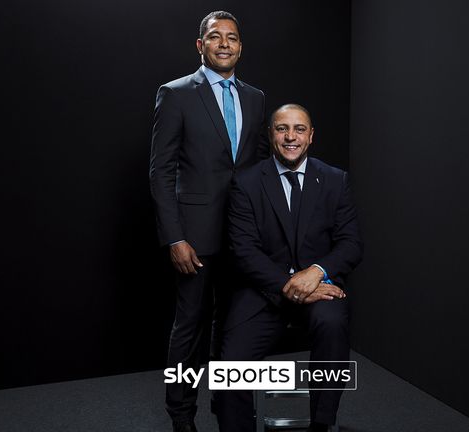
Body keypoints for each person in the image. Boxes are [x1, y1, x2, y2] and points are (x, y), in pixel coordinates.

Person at [149, 10, 269, 432]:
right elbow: (160, 171)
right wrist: (174, 237)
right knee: (190, 329)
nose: (224, 44)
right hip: (194, 237)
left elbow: (256, 170)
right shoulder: (177, 93)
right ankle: (181, 415)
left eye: (232, 38)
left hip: (242, 237)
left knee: (233, 327)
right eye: (215, 37)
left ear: (240, 46)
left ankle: (226, 405)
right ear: (201, 46)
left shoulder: (254, 98)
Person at [215, 104, 363, 431]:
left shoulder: (336, 181)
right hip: (262, 292)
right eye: (282, 129)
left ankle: (322, 424)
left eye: (299, 129)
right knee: (229, 367)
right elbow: (243, 251)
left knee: (332, 326)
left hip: (319, 288)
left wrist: (315, 272)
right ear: (271, 135)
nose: (290, 136)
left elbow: (351, 244)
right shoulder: (247, 183)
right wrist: (289, 284)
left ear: (311, 136)